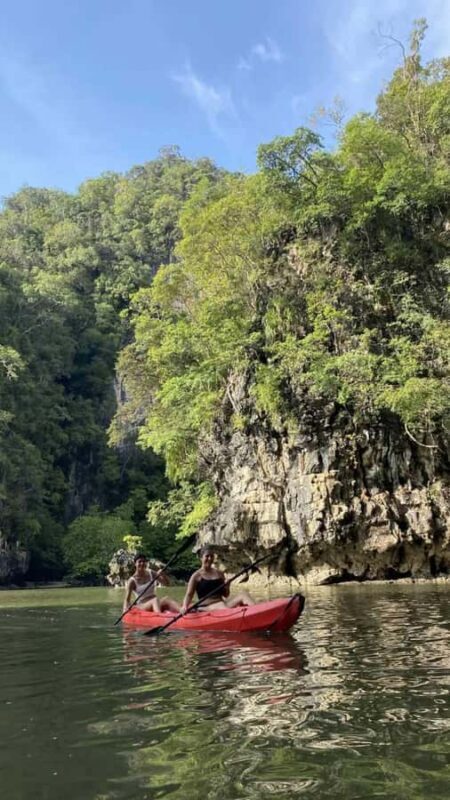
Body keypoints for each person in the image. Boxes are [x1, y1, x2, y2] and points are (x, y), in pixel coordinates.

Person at [181, 547, 255, 613]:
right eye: (207, 556)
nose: (209, 558)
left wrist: (227, 586)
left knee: (244, 595)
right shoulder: (196, 576)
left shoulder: (219, 574)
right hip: (207, 606)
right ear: (201, 558)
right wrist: (185, 606)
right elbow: (189, 595)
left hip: (222, 603)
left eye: (211, 556)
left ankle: (257, 612)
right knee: (222, 607)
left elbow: (225, 595)